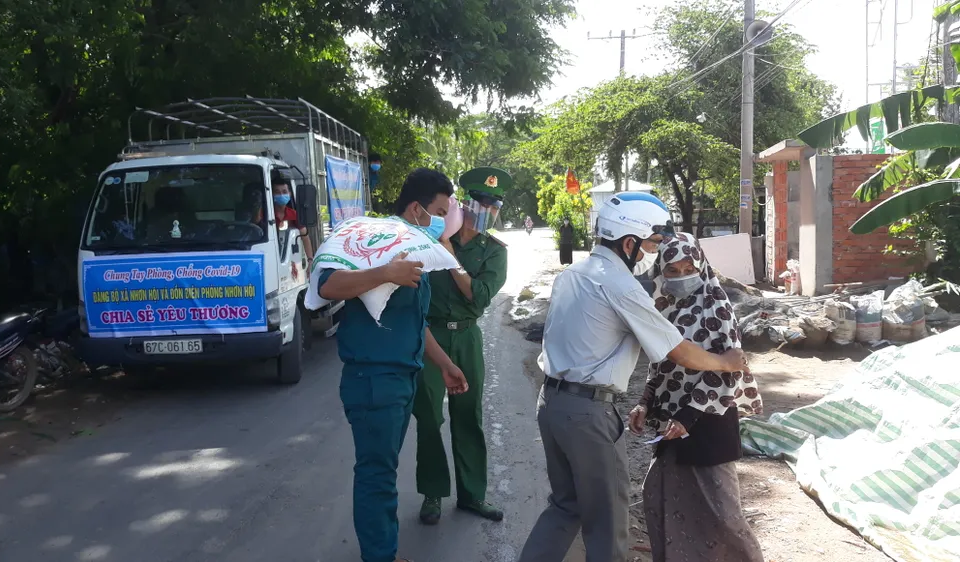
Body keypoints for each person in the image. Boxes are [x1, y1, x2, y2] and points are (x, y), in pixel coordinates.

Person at [518, 192, 751, 562]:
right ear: (630, 243)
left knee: (565, 505)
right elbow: (677, 352)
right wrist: (726, 362)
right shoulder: (620, 285)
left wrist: (646, 400)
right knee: (608, 519)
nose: (655, 255)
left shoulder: (572, 275)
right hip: (588, 413)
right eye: (653, 244)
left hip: (551, 404)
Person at [317, 167, 470, 562]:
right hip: (374, 378)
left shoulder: (415, 246)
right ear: (418, 208)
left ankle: (382, 552)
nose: (442, 220)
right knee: (377, 474)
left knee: (383, 470)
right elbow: (327, 285)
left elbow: (413, 321)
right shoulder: (369, 238)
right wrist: (385, 272)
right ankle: (380, 556)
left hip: (402, 376)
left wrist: (444, 363)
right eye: (439, 212)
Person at [630, 232, 765, 562]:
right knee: (661, 499)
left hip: (707, 424)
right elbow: (659, 366)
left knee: (723, 515)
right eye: (672, 271)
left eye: (688, 269)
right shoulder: (664, 308)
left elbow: (730, 369)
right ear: (661, 272)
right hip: (671, 424)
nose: (681, 277)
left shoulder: (717, 307)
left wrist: (687, 417)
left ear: (701, 266)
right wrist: (645, 402)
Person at [413, 167, 509, 525]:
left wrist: (450, 255)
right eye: (482, 203)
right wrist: (442, 244)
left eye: (495, 205)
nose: (488, 211)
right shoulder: (431, 238)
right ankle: (433, 493)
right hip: (431, 337)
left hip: (467, 336)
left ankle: (472, 495)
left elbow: (478, 297)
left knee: (469, 416)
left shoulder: (494, 252)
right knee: (428, 416)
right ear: (465, 203)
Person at [270, 173, 315, 265]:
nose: (281, 195)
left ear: (289, 194)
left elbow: (305, 237)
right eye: (277, 192)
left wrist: (310, 260)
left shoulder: (294, 214)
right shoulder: (266, 214)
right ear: (272, 194)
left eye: (284, 192)